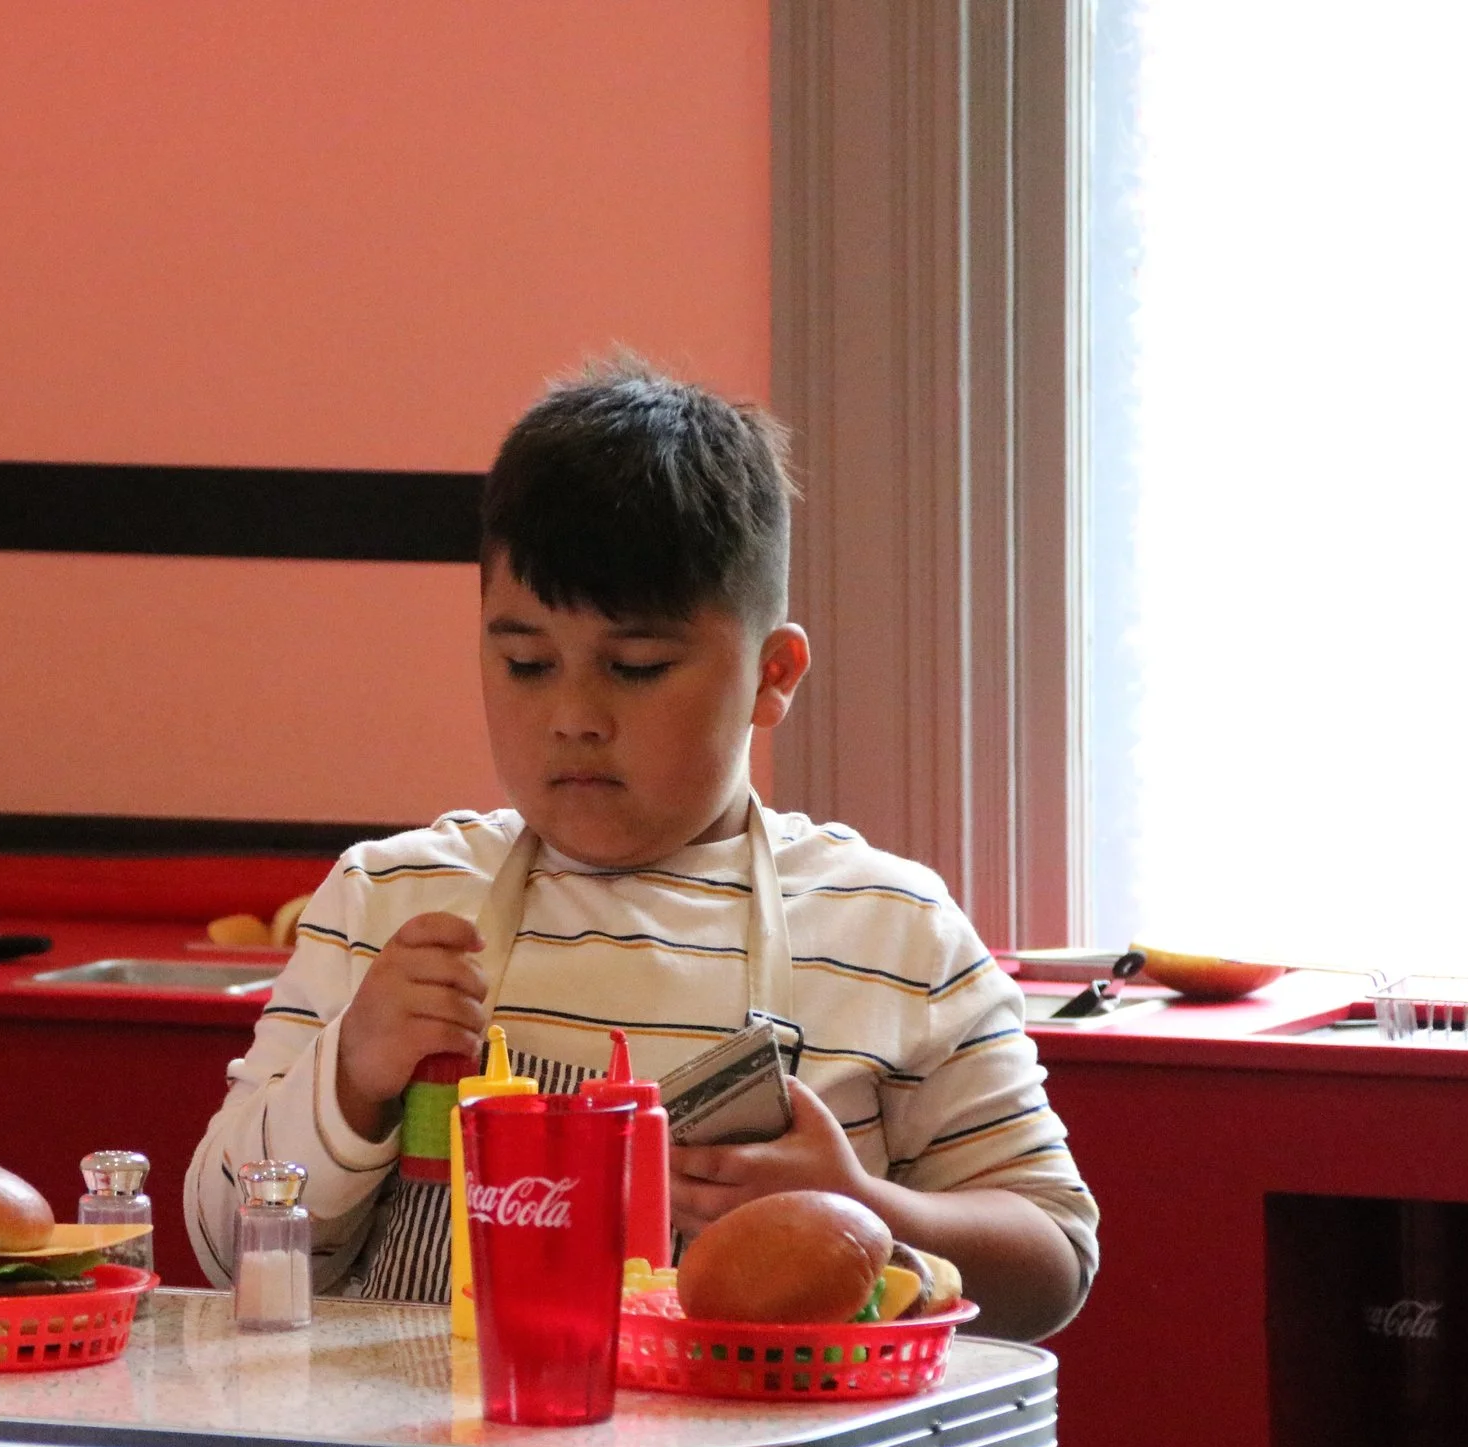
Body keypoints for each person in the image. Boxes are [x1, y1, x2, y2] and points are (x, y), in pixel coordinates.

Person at [185, 359, 1095, 1340]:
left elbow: (1053, 1255)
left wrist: (863, 1210)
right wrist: (352, 1074)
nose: (574, 716)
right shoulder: (387, 899)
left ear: (771, 674)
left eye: (637, 666)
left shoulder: (890, 929)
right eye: (525, 661)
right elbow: (215, 1243)